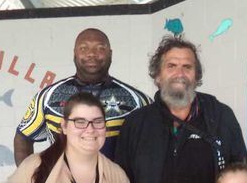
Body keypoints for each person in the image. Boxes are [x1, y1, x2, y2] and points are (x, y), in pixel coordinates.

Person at [115, 36, 247, 183]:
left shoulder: (220, 117)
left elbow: (240, 173)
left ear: (196, 76)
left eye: (187, 67)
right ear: (157, 75)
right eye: (171, 66)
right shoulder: (136, 123)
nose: (180, 73)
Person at [14, 28, 150, 165]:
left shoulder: (137, 100)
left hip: (116, 178)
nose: (91, 54)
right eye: (84, 48)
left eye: (100, 48)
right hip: (61, 179)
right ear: (74, 53)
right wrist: (28, 176)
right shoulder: (48, 97)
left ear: (110, 54)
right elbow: (23, 137)